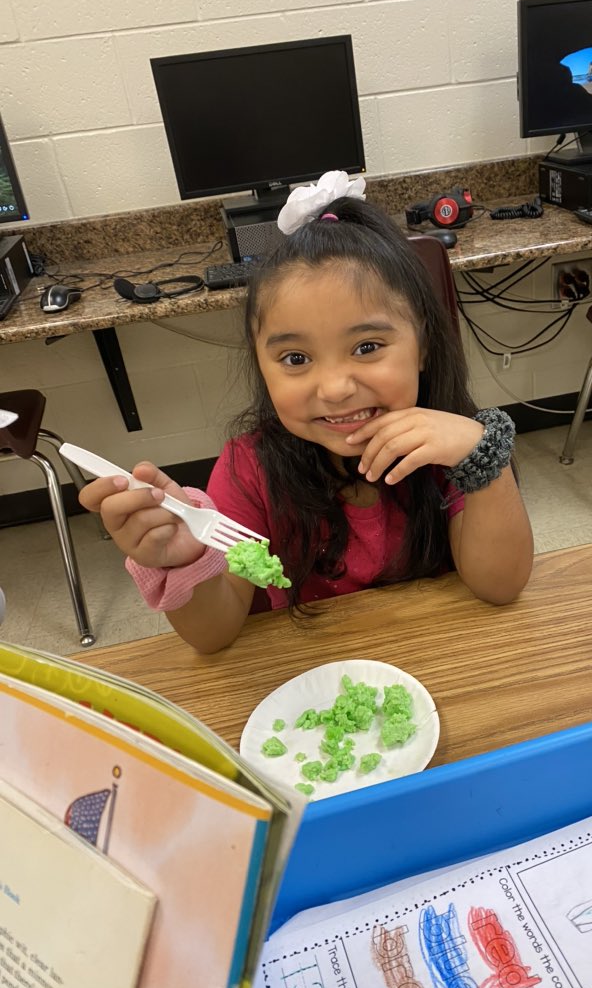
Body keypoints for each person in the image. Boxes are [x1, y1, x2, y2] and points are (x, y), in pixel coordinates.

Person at [80, 172, 533, 653]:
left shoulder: (447, 451)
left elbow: (501, 587)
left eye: (367, 346)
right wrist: (181, 561)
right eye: (296, 359)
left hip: (442, 660)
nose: (335, 389)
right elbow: (213, 637)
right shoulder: (248, 471)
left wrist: (483, 457)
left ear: (422, 346)